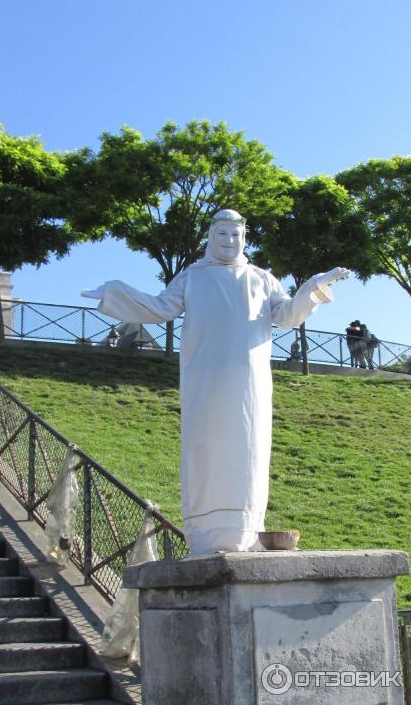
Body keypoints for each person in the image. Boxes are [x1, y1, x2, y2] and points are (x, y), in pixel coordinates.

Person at [82, 209, 349, 556]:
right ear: (210, 237)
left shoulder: (262, 278)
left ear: (245, 239)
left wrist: (315, 286)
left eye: (236, 235)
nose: (229, 241)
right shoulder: (193, 276)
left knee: (248, 450)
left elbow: (286, 315)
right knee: (206, 448)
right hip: (204, 377)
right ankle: (206, 537)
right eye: (222, 234)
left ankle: (247, 532)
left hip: (249, 382)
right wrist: (112, 294)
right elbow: (161, 306)